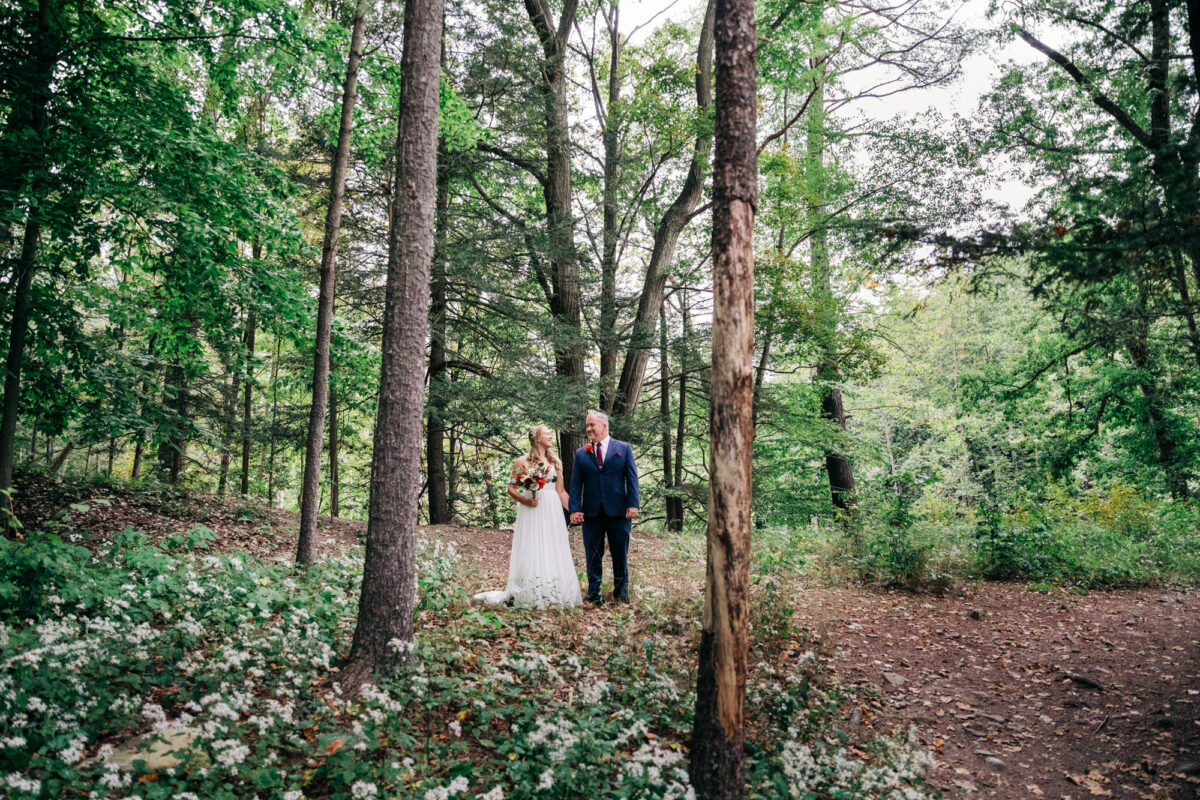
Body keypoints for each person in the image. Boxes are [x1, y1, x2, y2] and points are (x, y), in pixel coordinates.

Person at [474, 425, 582, 608]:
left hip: (553, 510)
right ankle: (531, 592)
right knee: (533, 546)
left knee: (553, 547)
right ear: (537, 438)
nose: (550, 436)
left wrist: (574, 510)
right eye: (547, 433)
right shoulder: (522, 462)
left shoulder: (556, 462)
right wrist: (525, 501)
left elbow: (561, 491)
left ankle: (555, 592)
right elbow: (511, 488)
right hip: (532, 510)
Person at [569, 411, 640, 605]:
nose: (588, 429)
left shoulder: (623, 449)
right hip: (591, 513)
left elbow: (632, 478)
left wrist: (633, 504)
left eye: (592, 425)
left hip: (619, 512)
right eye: (587, 425)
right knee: (593, 555)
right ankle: (594, 595)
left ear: (604, 426)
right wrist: (575, 509)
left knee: (619, 554)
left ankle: (621, 595)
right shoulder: (582, 453)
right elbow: (576, 484)